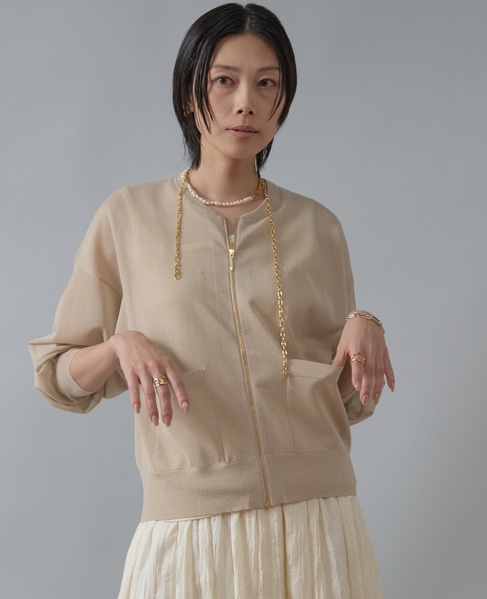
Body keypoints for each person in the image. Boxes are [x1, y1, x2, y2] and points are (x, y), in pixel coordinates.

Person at [29, 3, 395, 598]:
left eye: (266, 83)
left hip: (317, 521)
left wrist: (364, 326)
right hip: (191, 530)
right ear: (188, 94)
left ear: (283, 100)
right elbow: (57, 375)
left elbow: (346, 402)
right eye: (224, 80)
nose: (245, 102)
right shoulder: (128, 218)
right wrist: (119, 346)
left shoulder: (318, 227)